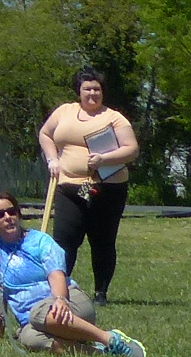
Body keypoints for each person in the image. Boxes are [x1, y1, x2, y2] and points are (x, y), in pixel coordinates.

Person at [0, 194, 143, 357]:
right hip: (35, 322)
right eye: (0, 214)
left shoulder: (40, 241)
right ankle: (99, 352)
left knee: (36, 314)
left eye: (11, 211)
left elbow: (56, 274)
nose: (8, 217)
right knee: (29, 338)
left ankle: (109, 339)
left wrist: (60, 299)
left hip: (70, 302)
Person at [40, 69, 140, 306]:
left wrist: (104, 159)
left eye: (97, 89)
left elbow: (132, 149)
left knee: (102, 240)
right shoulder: (65, 111)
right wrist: (52, 159)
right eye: (87, 89)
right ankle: (61, 291)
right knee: (64, 241)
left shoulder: (114, 118)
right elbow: (45, 134)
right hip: (69, 187)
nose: (92, 93)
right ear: (79, 91)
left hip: (107, 188)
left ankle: (101, 293)